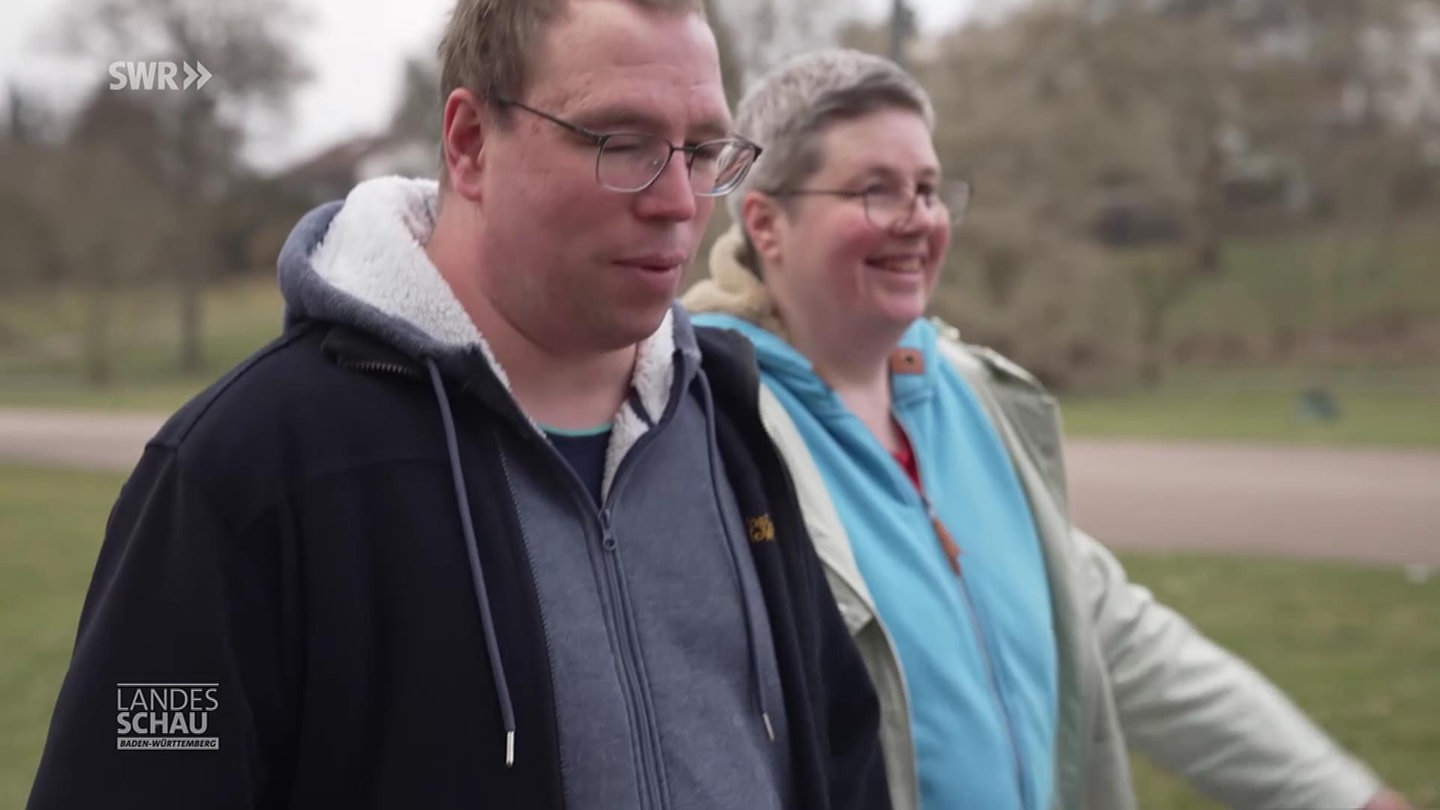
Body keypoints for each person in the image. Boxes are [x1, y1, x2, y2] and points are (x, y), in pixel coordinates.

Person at [27, 5, 892, 809]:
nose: (677, 202)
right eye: (623, 144)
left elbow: (844, 759)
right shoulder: (245, 469)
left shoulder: (730, 429)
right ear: (471, 141)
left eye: (702, 152)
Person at [684, 47, 1412, 810]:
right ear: (766, 222)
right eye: (876, 191)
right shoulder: (709, 427)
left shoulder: (976, 397)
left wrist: (1342, 795)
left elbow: (1112, 634)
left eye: (928, 189)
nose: (919, 219)